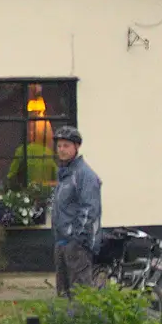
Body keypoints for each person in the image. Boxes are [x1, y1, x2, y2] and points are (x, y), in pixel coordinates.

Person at [49, 125, 102, 297]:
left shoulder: (84, 175)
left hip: (77, 247)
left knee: (80, 296)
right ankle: (67, 323)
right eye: (59, 146)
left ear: (76, 147)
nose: (62, 150)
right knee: (64, 295)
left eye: (66, 146)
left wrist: (77, 239)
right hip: (61, 243)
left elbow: (89, 210)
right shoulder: (64, 174)